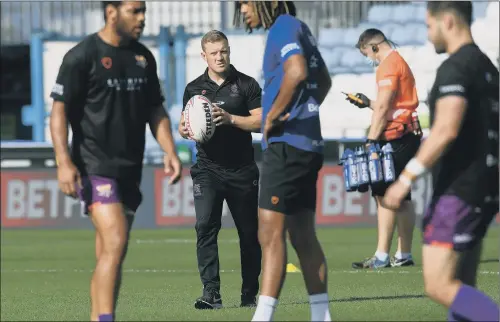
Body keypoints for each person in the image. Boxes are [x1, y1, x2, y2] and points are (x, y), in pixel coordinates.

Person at [49, 2, 182, 321]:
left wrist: (170, 150)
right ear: (111, 12)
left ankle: (98, 317)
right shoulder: (82, 56)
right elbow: (59, 112)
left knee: (111, 252)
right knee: (116, 239)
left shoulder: (143, 58)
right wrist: (63, 162)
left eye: (143, 11)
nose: (142, 18)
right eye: (134, 11)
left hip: (129, 169)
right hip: (93, 166)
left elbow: (155, 110)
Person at [383, 2, 499, 321]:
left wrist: (405, 179)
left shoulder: (456, 67)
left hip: (459, 190)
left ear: (447, 21)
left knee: (439, 285)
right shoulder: (487, 67)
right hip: (484, 187)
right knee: (463, 289)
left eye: (429, 25)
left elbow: (446, 130)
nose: (428, 33)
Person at [234, 1, 333, 321]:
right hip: (306, 144)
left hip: (286, 146)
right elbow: (324, 81)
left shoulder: (283, 28)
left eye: (245, 3)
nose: (242, 10)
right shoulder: (298, 27)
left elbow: (297, 71)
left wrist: (276, 116)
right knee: (303, 235)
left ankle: (262, 317)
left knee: (269, 232)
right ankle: (321, 316)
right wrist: (303, 111)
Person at [178, 30, 263, 309]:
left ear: (229, 50)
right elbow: (187, 123)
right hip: (207, 170)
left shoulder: (247, 85)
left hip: (242, 170)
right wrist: (184, 129)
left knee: (249, 234)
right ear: (204, 56)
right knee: (205, 227)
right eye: (214, 53)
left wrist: (229, 119)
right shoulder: (193, 88)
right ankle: (211, 293)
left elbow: (261, 122)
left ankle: (249, 294)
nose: (219, 57)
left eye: (223, 51)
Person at [345, 28, 421, 269]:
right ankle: (403, 254)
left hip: (394, 137)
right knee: (403, 196)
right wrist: (367, 102)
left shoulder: (387, 66)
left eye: (368, 53)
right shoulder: (400, 63)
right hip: (408, 134)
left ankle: (381, 256)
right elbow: (389, 104)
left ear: (375, 47)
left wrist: (371, 140)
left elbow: (384, 108)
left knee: (384, 194)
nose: (370, 58)